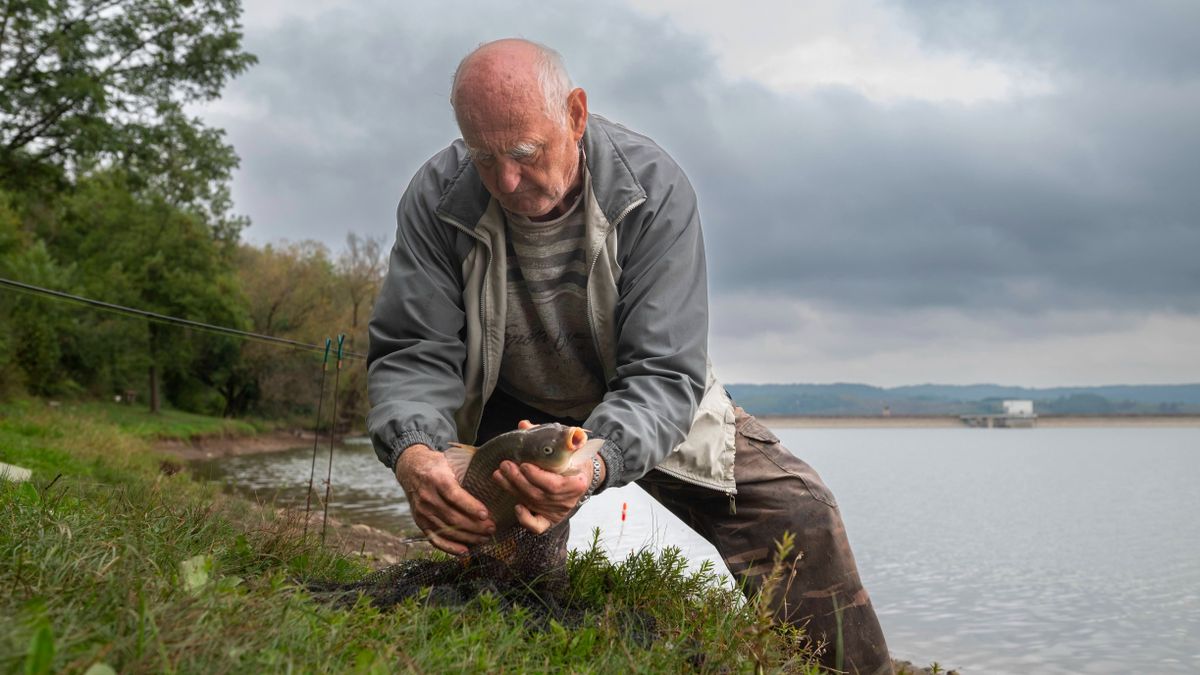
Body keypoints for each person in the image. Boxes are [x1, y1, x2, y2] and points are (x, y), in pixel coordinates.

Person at [368, 38, 893, 674]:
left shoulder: (654, 189)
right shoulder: (435, 197)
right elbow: (414, 350)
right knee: (505, 577)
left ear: (576, 114)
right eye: (484, 157)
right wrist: (416, 452)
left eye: (525, 152)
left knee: (800, 513)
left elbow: (666, 373)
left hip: (643, 396)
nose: (506, 179)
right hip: (510, 411)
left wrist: (592, 467)